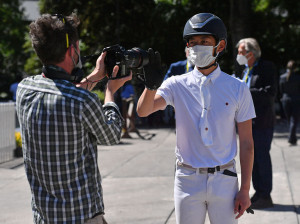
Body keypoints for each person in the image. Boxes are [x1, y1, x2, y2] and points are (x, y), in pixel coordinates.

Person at [137, 13, 255, 224]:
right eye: (192, 42)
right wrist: (150, 85)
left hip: (225, 179)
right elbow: (143, 111)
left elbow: (247, 143)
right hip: (187, 179)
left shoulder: (237, 88)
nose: (196, 47)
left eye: (204, 42)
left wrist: (245, 189)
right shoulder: (175, 84)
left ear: (219, 46)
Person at [16, 13, 131, 224]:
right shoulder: (82, 101)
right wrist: (110, 92)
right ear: (72, 51)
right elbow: (112, 135)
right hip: (82, 216)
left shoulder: (24, 89)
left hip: (45, 216)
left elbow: (62, 92)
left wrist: (96, 75)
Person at [236, 38, 277, 209]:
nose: (238, 55)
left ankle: (266, 195)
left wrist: (244, 91)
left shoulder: (267, 68)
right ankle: (258, 192)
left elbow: (270, 93)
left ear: (250, 53)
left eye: (240, 52)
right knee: (251, 159)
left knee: (261, 157)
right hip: (247, 123)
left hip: (262, 122)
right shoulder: (245, 69)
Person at [163, 47, 195, 125]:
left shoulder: (206, 69)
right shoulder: (176, 67)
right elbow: (165, 85)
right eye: (190, 52)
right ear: (187, 53)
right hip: (180, 107)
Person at [279, 60, 300, 145]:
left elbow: (281, 90)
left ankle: (292, 138)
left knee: (290, 120)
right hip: (296, 100)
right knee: (294, 120)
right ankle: (292, 138)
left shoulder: (282, 77)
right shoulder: (298, 77)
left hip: (285, 100)